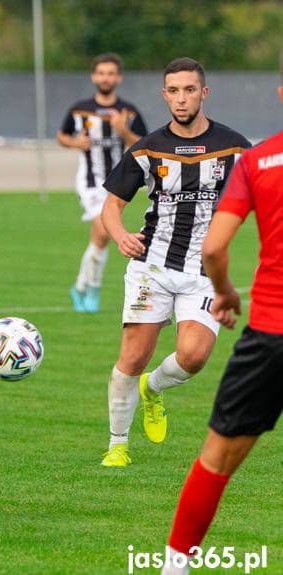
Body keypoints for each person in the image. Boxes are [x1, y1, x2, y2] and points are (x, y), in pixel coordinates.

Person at [159, 67, 283, 575]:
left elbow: (213, 246)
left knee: (217, 460)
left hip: (271, 332)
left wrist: (228, 294)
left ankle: (174, 566)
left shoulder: (259, 160)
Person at [99, 58, 251, 467]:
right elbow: (111, 207)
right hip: (152, 265)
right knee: (132, 358)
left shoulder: (235, 147)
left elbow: (262, 197)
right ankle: (117, 444)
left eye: (189, 90)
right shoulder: (147, 148)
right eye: (173, 90)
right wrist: (120, 235)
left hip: (204, 272)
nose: (181, 98)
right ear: (164, 95)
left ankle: (153, 390)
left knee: (194, 357)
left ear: (204, 93)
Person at [58, 53, 147, 312]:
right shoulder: (80, 109)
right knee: (103, 227)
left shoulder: (128, 112)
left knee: (100, 236)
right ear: (93, 76)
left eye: (110, 73)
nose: (105, 77)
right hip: (89, 182)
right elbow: (62, 136)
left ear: (118, 77)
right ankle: (93, 289)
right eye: (101, 73)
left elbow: (144, 145)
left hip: (118, 184)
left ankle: (81, 287)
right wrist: (75, 142)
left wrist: (124, 131)